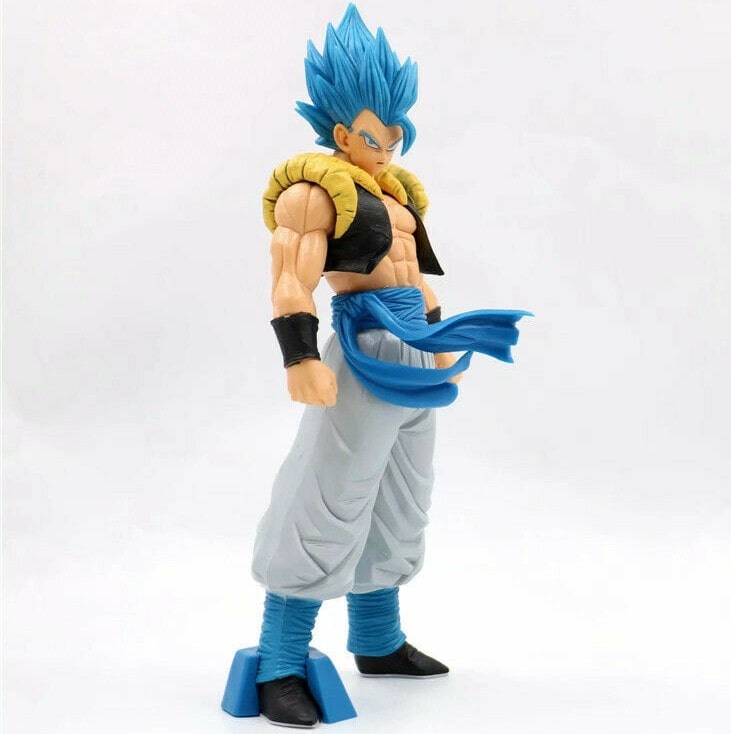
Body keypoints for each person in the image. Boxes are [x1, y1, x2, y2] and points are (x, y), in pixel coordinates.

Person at [251, 4, 530, 727]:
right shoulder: (314, 192)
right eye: (376, 134)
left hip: (414, 351)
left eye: (397, 132)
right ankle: (279, 662)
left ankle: (377, 639)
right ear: (343, 132)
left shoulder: (397, 194)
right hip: (363, 351)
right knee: (328, 499)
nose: (390, 144)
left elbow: (418, 281)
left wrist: (439, 340)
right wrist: (300, 356)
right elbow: (291, 279)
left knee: (401, 498)